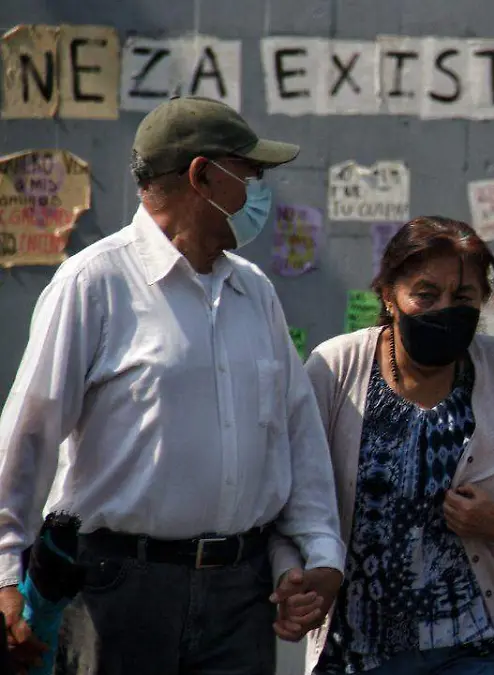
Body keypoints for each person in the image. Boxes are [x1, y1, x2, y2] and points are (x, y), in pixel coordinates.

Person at [0, 95, 345, 674]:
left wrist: (320, 554)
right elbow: (24, 439)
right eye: (251, 174)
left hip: (241, 595)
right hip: (117, 593)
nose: (259, 193)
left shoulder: (254, 292)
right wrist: (6, 577)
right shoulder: (95, 283)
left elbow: (297, 438)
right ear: (203, 176)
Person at [270, 216, 494, 675]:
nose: (444, 309)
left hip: (474, 645)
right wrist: (294, 579)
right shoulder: (336, 367)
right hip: (356, 649)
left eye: (463, 297)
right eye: (425, 294)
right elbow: (292, 497)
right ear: (388, 293)